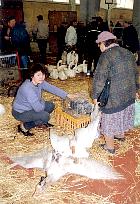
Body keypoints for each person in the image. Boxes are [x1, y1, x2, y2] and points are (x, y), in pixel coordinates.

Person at [92, 31, 139, 154]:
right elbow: (136, 73)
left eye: (99, 44)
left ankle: (110, 147)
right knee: (123, 111)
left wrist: (95, 96)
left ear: (104, 43)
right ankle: (120, 135)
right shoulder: (128, 52)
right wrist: (137, 89)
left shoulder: (106, 56)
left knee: (109, 116)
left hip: (115, 94)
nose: (98, 46)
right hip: (129, 91)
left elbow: (99, 77)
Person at [12, 63, 75, 136]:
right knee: (45, 116)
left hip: (31, 107)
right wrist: (41, 101)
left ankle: (41, 122)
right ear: (32, 75)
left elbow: (52, 88)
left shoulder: (38, 82)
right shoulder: (28, 88)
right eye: (38, 75)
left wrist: (67, 95)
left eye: (43, 74)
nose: (41, 77)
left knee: (51, 105)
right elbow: (38, 109)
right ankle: (24, 127)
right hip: (21, 112)